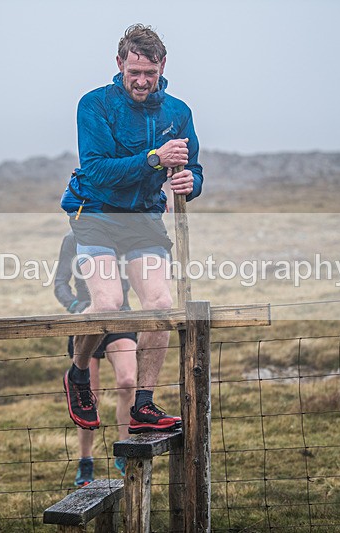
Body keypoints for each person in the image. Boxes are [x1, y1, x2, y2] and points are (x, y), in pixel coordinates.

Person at [60, 24, 203, 434]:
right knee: (106, 303)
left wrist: (190, 182)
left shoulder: (178, 112)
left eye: (150, 74)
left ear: (162, 67)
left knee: (159, 304)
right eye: (134, 73)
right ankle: (79, 371)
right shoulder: (95, 105)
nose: (142, 82)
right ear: (120, 63)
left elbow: (192, 167)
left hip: (143, 216)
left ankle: (143, 404)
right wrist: (155, 159)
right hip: (97, 211)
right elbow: (99, 171)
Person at [54, 231, 137, 485]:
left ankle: (125, 451)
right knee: (89, 395)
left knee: (127, 382)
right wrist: (77, 309)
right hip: (87, 318)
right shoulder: (72, 239)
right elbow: (60, 284)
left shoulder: (124, 234)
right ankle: (86, 460)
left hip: (120, 316)